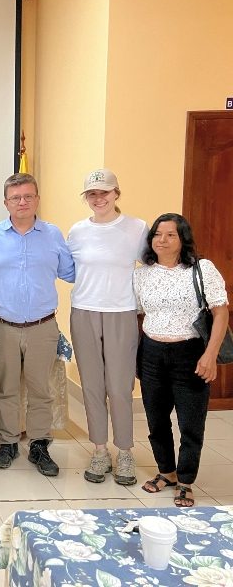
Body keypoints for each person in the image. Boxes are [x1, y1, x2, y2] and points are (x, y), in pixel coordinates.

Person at [0, 173, 75, 476]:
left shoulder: (53, 235)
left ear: (37, 199)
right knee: (6, 388)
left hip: (42, 327)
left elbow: (71, 272)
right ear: (5, 202)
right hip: (3, 325)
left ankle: (38, 445)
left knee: (39, 390)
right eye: (15, 197)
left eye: (28, 196)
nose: (22, 202)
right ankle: (7, 442)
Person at [134, 213, 229, 507]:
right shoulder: (142, 273)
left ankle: (186, 481)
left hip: (190, 353)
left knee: (190, 423)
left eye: (170, 235)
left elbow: (220, 312)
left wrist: (210, 354)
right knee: (156, 420)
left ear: (183, 239)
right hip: (151, 352)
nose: (162, 240)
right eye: (157, 234)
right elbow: (137, 313)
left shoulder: (201, 269)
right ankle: (167, 472)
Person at [67, 169, 148, 486]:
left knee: (119, 387)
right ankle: (100, 450)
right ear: (86, 198)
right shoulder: (76, 231)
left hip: (121, 312)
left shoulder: (137, 228)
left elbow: (152, 266)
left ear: (117, 193)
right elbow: (71, 270)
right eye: (92, 193)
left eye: (104, 192)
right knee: (91, 386)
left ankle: (125, 451)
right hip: (84, 312)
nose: (98, 198)